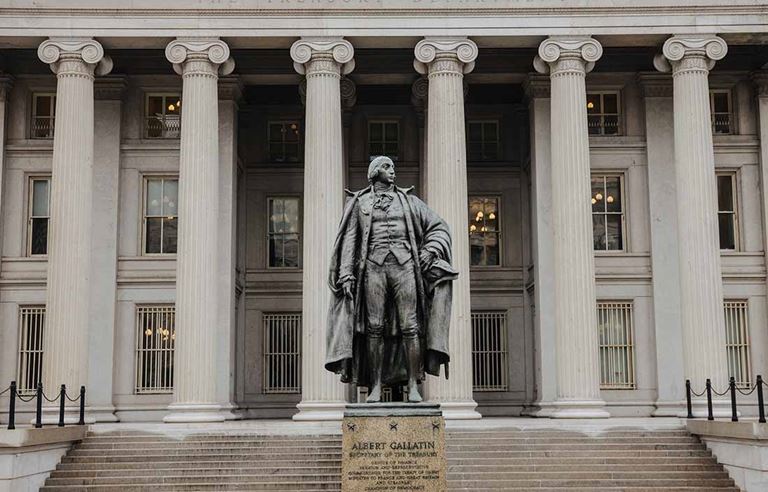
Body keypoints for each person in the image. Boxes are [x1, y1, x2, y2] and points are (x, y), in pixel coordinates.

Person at [325, 155, 457, 403]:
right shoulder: (359, 203)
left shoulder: (410, 202)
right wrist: (345, 274)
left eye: (393, 167)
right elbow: (350, 240)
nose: (392, 171)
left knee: (411, 326)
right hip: (373, 269)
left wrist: (430, 250)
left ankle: (413, 386)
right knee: (374, 328)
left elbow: (439, 227)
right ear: (375, 172)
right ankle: (374, 386)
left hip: (405, 266)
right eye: (387, 167)